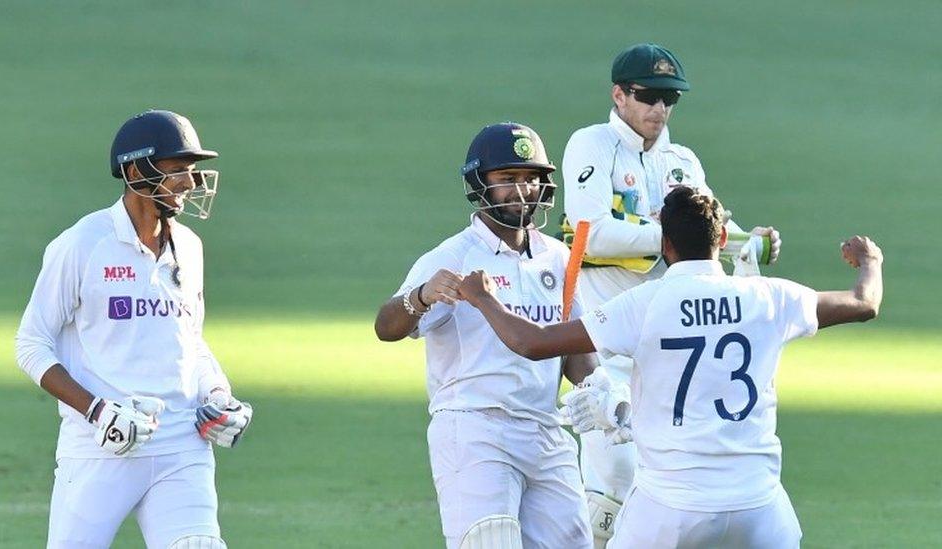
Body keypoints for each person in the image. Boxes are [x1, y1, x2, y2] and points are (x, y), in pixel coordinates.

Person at [458, 186, 883, 548]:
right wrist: (870, 261)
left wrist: (482, 298)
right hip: (759, 503)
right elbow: (864, 304)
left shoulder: (645, 304)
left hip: (671, 506)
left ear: (664, 243)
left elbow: (533, 343)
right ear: (721, 237)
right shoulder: (769, 296)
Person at [558, 42, 783, 547]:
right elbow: (590, 233)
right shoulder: (591, 145)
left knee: (670, 490)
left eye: (670, 99)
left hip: (671, 356)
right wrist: (667, 236)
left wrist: (750, 240)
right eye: (648, 96)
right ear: (619, 95)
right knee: (613, 482)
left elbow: (713, 231)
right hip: (606, 345)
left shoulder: (682, 162)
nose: (660, 109)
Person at [15, 109, 254, 549]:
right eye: (178, 170)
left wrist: (218, 394)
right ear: (134, 171)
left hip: (182, 444)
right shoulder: (84, 243)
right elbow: (31, 344)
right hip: (101, 448)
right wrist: (98, 411)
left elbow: (191, 343)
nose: (191, 183)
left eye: (193, 171)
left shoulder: (191, 248)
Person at [375, 122, 597, 548]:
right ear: (480, 184)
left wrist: (599, 386)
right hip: (475, 427)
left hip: (545, 427)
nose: (523, 190)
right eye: (508, 179)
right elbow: (386, 327)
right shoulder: (453, 256)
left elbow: (571, 350)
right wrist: (420, 297)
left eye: (532, 178)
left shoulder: (558, 256)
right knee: (488, 541)